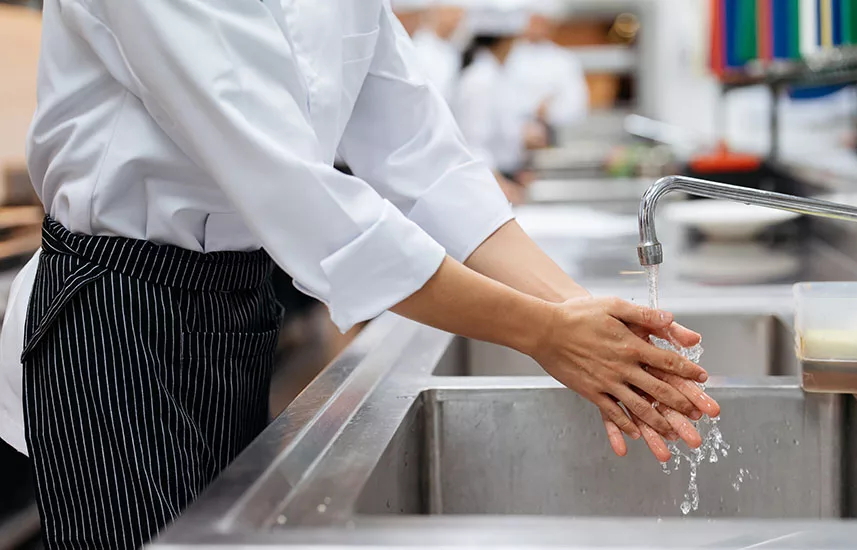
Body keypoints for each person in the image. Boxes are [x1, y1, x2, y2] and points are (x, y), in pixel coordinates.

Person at [0, 0, 719, 548]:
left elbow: (421, 155)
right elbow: (301, 195)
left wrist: (584, 315)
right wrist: (544, 331)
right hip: (118, 315)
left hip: (237, 304)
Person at [452, 0, 546, 202]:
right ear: (505, 41)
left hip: (504, 178)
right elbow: (473, 145)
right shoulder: (478, 80)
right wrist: (499, 183)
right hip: (488, 185)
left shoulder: (497, 76)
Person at [506, 0, 589, 143]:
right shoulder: (508, 56)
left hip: (551, 139)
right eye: (534, 20)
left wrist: (548, 112)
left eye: (543, 21)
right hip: (509, 139)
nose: (537, 26)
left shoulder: (565, 61)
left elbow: (576, 106)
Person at [411, 0, 468, 100]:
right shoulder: (419, 46)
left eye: (460, 13)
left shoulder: (452, 52)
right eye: (452, 12)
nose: (457, 18)